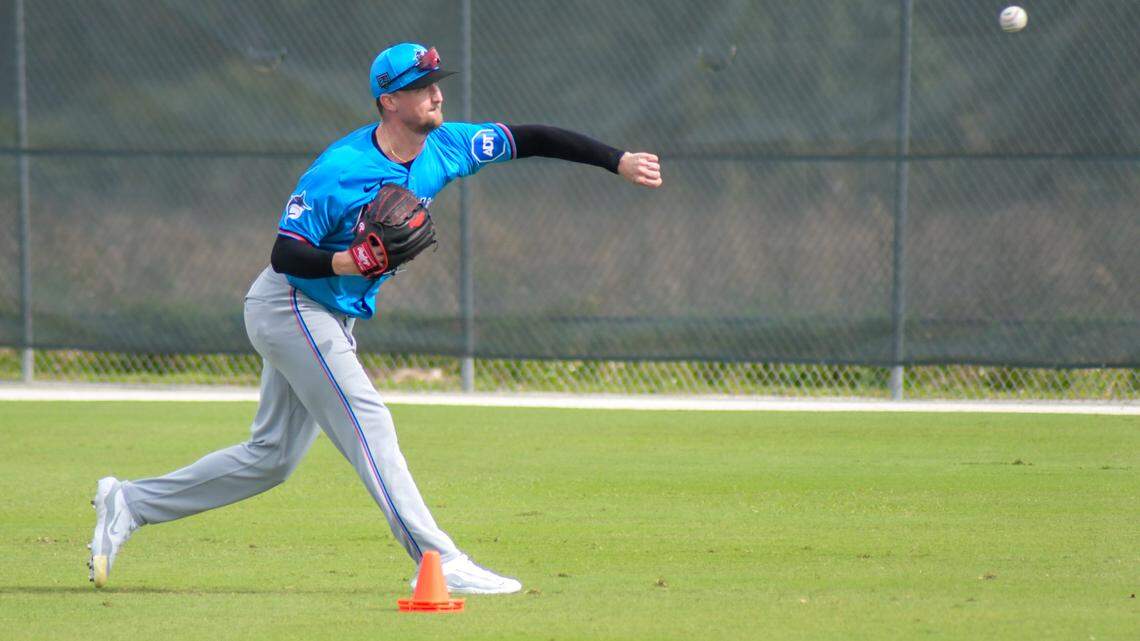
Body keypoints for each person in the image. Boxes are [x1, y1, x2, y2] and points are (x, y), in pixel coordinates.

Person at [88, 42, 662, 593]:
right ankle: (438, 559)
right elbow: (284, 254)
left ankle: (131, 502)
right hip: (290, 303)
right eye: (421, 87)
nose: (436, 95)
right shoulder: (340, 169)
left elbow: (530, 137)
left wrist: (616, 160)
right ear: (389, 100)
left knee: (270, 460)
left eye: (437, 83)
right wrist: (349, 258)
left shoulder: (448, 146)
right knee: (370, 420)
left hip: (329, 314)